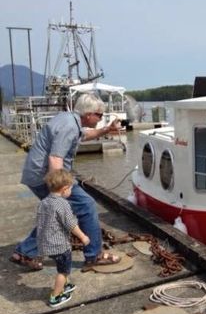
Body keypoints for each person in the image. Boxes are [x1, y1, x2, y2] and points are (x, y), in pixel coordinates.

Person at [10, 93, 122, 271]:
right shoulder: (70, 126)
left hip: (37, 174)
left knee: (54, 216)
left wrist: (105, 130)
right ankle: (94, 255)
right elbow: (55, 159)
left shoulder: (71, 120)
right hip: (45, 176)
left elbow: (83, 136)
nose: (101, 118)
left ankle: (24, 252)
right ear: (88, 114)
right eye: (99, 115)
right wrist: (59, 193)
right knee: (86, 205)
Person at [37, 169, 90, 307]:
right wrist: (83, 237)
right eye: (71, 188)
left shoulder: (44, 202)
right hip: (59, 245)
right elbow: (71, 224)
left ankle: (65, 285)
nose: (71, 191)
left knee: (60, 264)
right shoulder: (62, 204)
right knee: (63, 271)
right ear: (65, 189)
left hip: (46, 243)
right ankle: (55, 297)